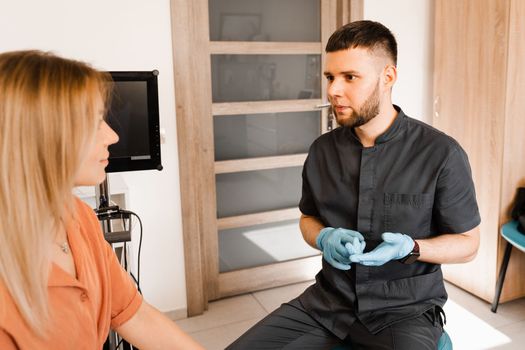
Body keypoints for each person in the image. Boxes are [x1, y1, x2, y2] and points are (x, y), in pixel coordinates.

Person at [227, 20, 480, 350]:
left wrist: (413, 247)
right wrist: (323, 236)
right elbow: (308, 218)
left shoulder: (440, 153)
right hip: (328, 303)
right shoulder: (322, 151)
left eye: (350, 77)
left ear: (387, 77)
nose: (333, 90)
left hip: (404, 310)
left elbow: (468, 243)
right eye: (330, 77)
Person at [0, 50, 203, 349]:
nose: (113, 136)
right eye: (95, 123)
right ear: (40, 137)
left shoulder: (77, 216)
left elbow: (134, 314)